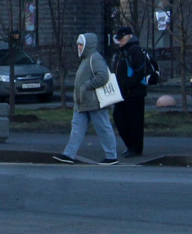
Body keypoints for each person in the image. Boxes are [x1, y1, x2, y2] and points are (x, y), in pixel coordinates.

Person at [53, 32, 119, 165]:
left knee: (103, 128)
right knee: (77, 128)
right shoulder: (86, 59)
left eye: (81, 44)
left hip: (95, 102)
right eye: (78, 44)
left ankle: (112, 156)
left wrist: (87, 86)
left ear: (88, 45)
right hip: (83, 103)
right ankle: (68, 155)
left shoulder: (95, 58)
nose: (78, 46)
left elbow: (103, 76)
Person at [108, 26, 148, 158]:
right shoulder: (120, 52)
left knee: (134, 121)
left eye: (121, 38)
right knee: (119, 118)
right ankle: (131, 146)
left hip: (135, 93)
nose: (119, 41)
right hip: (122, 92)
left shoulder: (135, 50)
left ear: (129, 37)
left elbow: (140, 70)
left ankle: (136, 148)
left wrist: (130, 83)